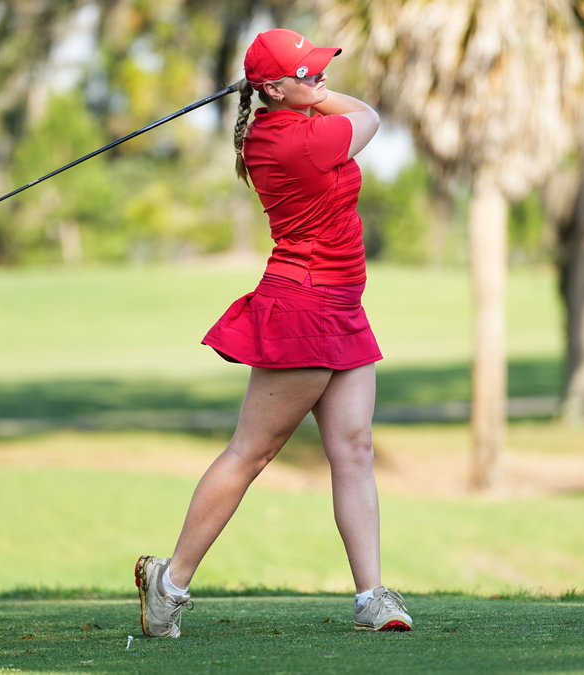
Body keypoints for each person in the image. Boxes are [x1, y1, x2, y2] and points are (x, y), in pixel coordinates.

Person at [135, 28, 412, 638]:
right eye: (307, 73)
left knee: (355, 447)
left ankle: (372, 597)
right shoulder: (292, 142)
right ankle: (170, 584)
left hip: (341, 304)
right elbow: (369, 115)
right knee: (251, 453)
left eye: (318, 71)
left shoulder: (292, 123)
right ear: (273, 88)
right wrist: (311, 96)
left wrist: (297, 89)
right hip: (303, 305)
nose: (320, 80)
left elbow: (335, 109)